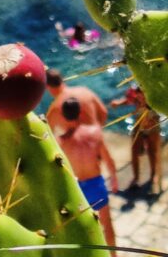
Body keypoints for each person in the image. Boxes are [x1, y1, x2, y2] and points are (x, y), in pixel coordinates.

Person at [56, 98, 119, 247]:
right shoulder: (95, 133)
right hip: (96, 185)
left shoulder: (60, 142)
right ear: (80, 112)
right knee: (107, 225)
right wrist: (114, 179)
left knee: (83, 230)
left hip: (77, 190)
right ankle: (114, 255)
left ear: (63, 116)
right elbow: (108, 160)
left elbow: (58, 172)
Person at [110, 84, 162, 193]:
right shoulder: (134, 90)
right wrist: (119, 103)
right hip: (139, 123)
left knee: (153, 151)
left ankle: (154, 176)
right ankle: (136, 178)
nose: (141, 98)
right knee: (135, 150)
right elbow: (129, 100)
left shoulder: (154, 91)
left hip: (153, 122)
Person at [44, 69, 107, 136]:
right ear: (62, 79)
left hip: (77, 144)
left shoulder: (55, 109)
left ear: (47, 86)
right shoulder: (84, 91)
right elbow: (104, 112)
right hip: (96, 138)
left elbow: (48, 133)